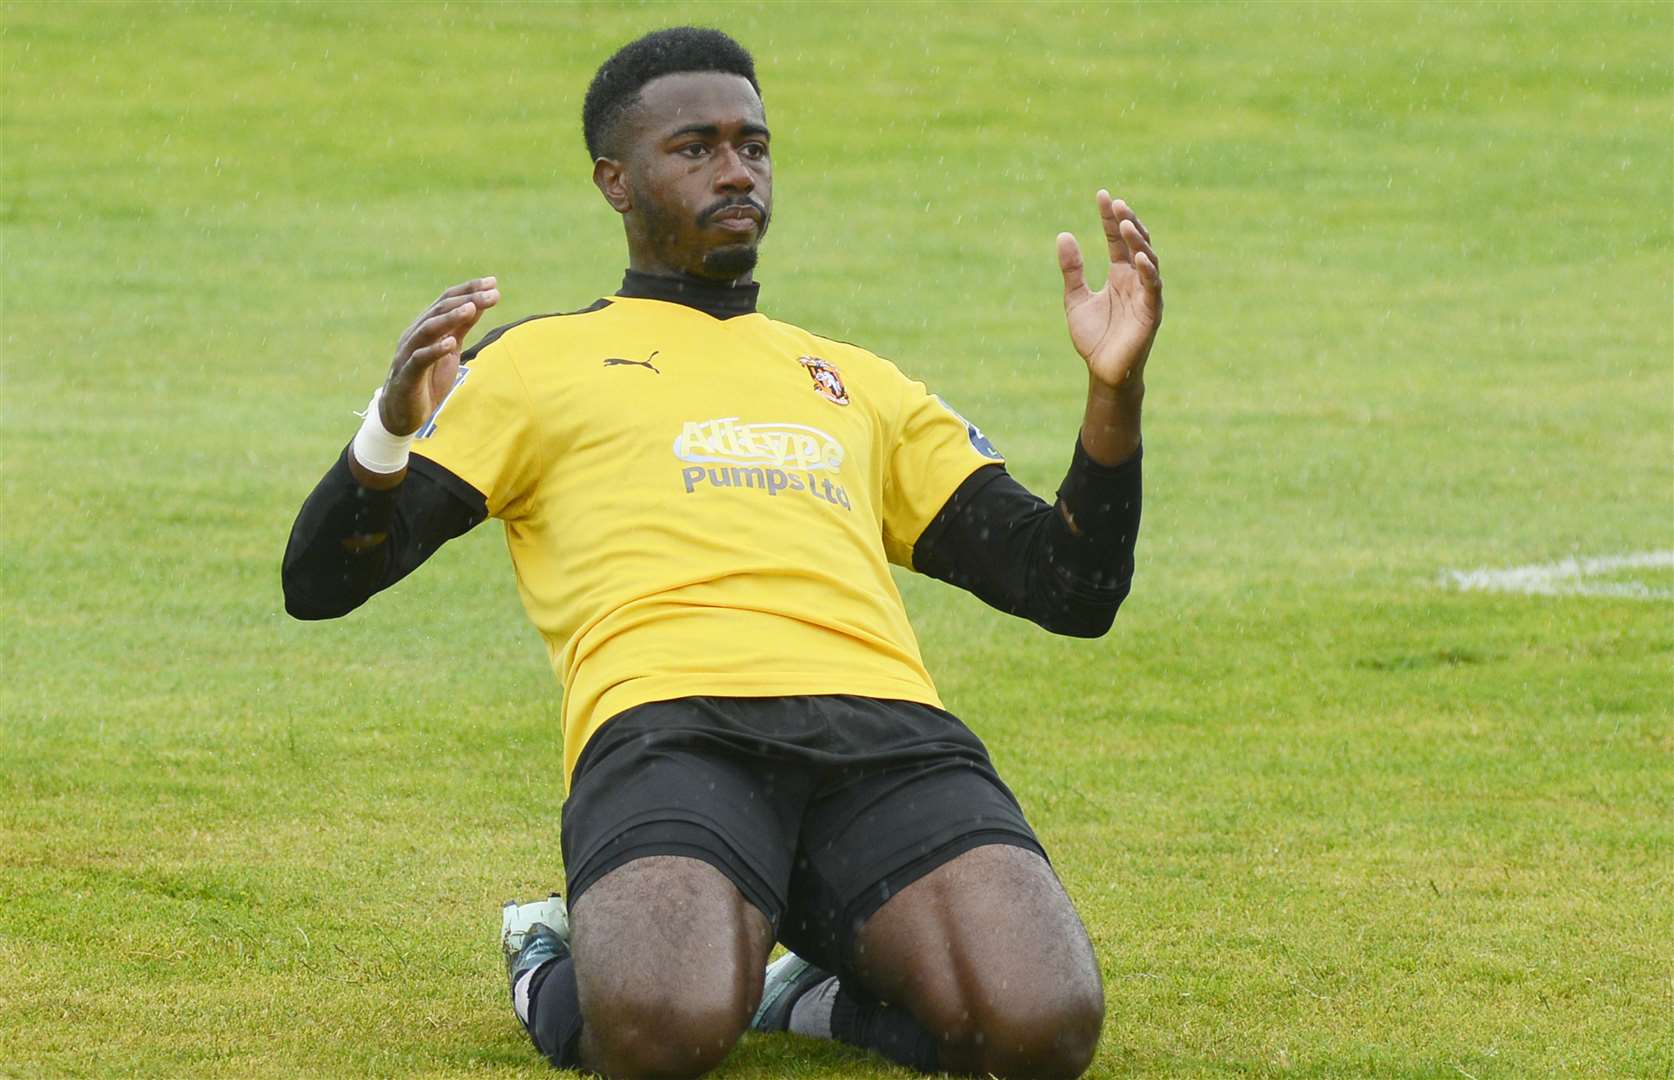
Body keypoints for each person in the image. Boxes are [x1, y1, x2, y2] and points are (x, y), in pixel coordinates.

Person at [282, 25, 1160, 1079]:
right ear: (616, 179)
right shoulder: (532, 363)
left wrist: (1114, 396)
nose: (735, 169)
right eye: (694, 148)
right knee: (662, 1036)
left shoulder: (853, 380)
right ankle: (549, 953)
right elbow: (323, 583)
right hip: (671, 731)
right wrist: (386, 431)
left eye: (752, 144)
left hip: (883, 734)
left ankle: (804, 996)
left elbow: (1071, 585)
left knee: (1041, 1028)